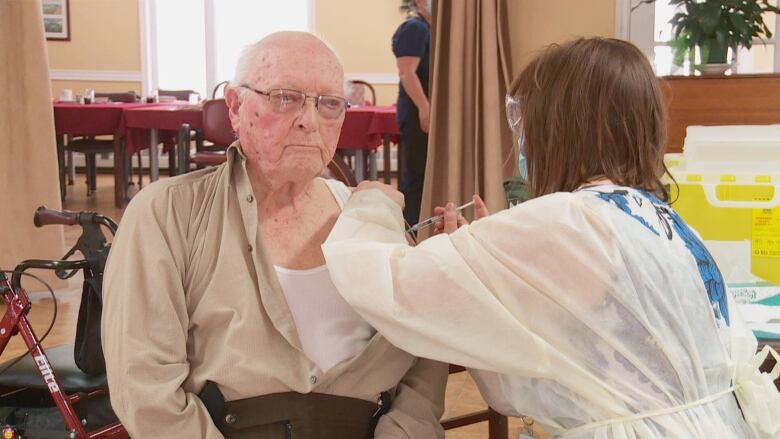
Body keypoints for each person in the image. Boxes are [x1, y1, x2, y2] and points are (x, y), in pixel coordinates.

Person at [323, 38, 780, 438]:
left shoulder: (568, 221)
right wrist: (483, 269)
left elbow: (385, 285)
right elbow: (539, 370)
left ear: (558, 128)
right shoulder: (656, 216)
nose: (520, 138)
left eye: (524, 122)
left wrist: (373, 204)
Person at [101, 31, 447, 439]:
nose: (309, 120)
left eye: (329, 104)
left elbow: (422, 359)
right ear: (235, 106)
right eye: (285, 97)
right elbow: (145, 387)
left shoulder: (371, 215)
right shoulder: (168, 214)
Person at [393, 0, 432, 228]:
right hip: (418, 110)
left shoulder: (431, 29)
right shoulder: (414, 28)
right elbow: (407, 72)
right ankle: (412, 231)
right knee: (417, 174)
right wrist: (424, 107)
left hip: (425, 107)